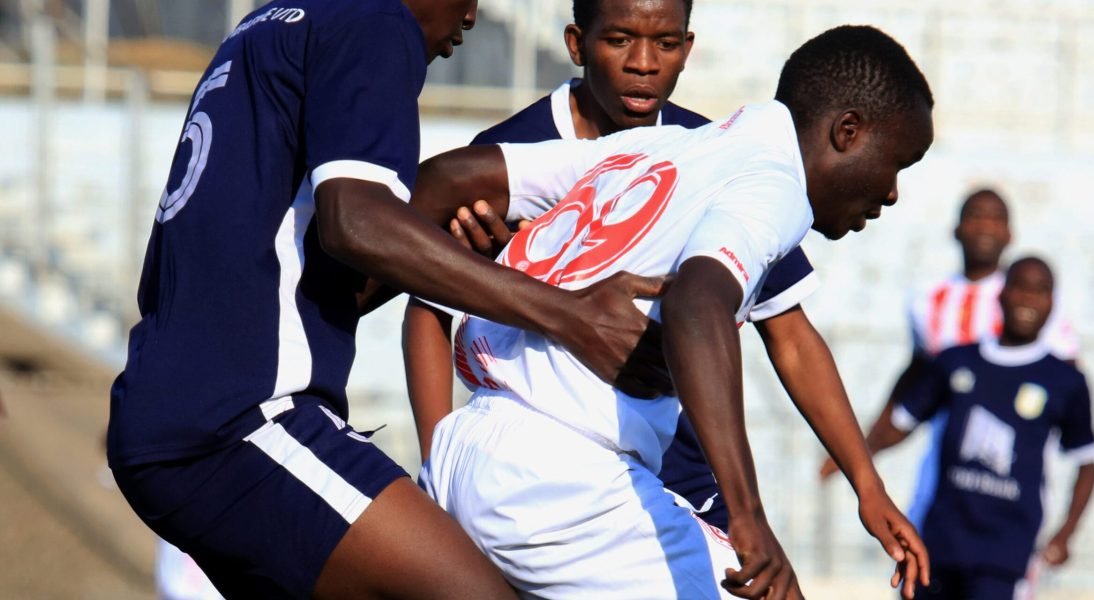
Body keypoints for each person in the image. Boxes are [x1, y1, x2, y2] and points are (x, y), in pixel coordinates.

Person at [105, 1, 668, 598]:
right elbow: (357, 224)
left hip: (173, 406)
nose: (472, 18)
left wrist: (446, 254)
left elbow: (313, 260)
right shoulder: (375, 21)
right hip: (240, 421)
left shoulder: (275, 20)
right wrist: (570, 316)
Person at [415, 25, 936, 600]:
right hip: (561, 485)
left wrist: (866, 483)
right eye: (898, 165)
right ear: (847, 132)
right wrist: (749, 516)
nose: (892, 193)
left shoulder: (659, 148)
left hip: (465, 450)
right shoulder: (773, 186)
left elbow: (449, 175)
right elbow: (695, 305)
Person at [404, 0, 837, 535]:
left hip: (684, 473)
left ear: (687, 49)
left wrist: (865, 479)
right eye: (619, 40)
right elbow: (429, 310)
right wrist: (434, 461)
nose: (644, 62)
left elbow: (789, 332)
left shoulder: (719, 150)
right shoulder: (507, 153)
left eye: (666, 43)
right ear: (575, 43)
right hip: (543, 473)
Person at [820, 189, 1079, 532]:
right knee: (924, 571)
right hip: (944, 479)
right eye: (975, 216)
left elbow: (1069, 385)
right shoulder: (929, 301)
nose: (984, 226)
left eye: (995, 219)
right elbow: (914, 386)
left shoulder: (1028, 298)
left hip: (1013, 485)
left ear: (1009, 233)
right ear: (956, 228)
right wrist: (861, 450)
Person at [865, 257, 1094, 600]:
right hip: (939, 541)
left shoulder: (1065, 379)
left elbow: (1087, 463)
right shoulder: (956, 360)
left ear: (1053, 302)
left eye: (1041, 291)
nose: (1028, 300)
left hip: (1007, 555)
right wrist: (857, 457)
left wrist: (1065, 533)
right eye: (1020, 287)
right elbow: (901, 423)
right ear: (1001, 294)